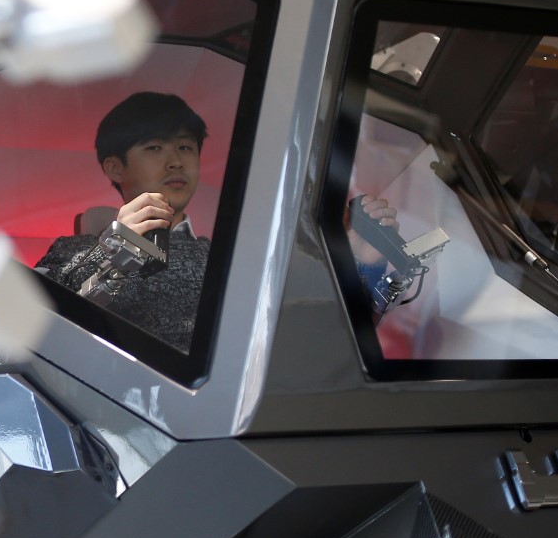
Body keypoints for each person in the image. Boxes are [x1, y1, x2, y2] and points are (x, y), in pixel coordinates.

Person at [37, 91, 399, 353]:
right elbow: (36, 326)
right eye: (154, 147)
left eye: (185, 147)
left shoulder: (236, 257)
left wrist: (359, 265)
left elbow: (321, 340)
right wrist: (116, 251)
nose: (176, 162)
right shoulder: (74, 250)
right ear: (115, 168)